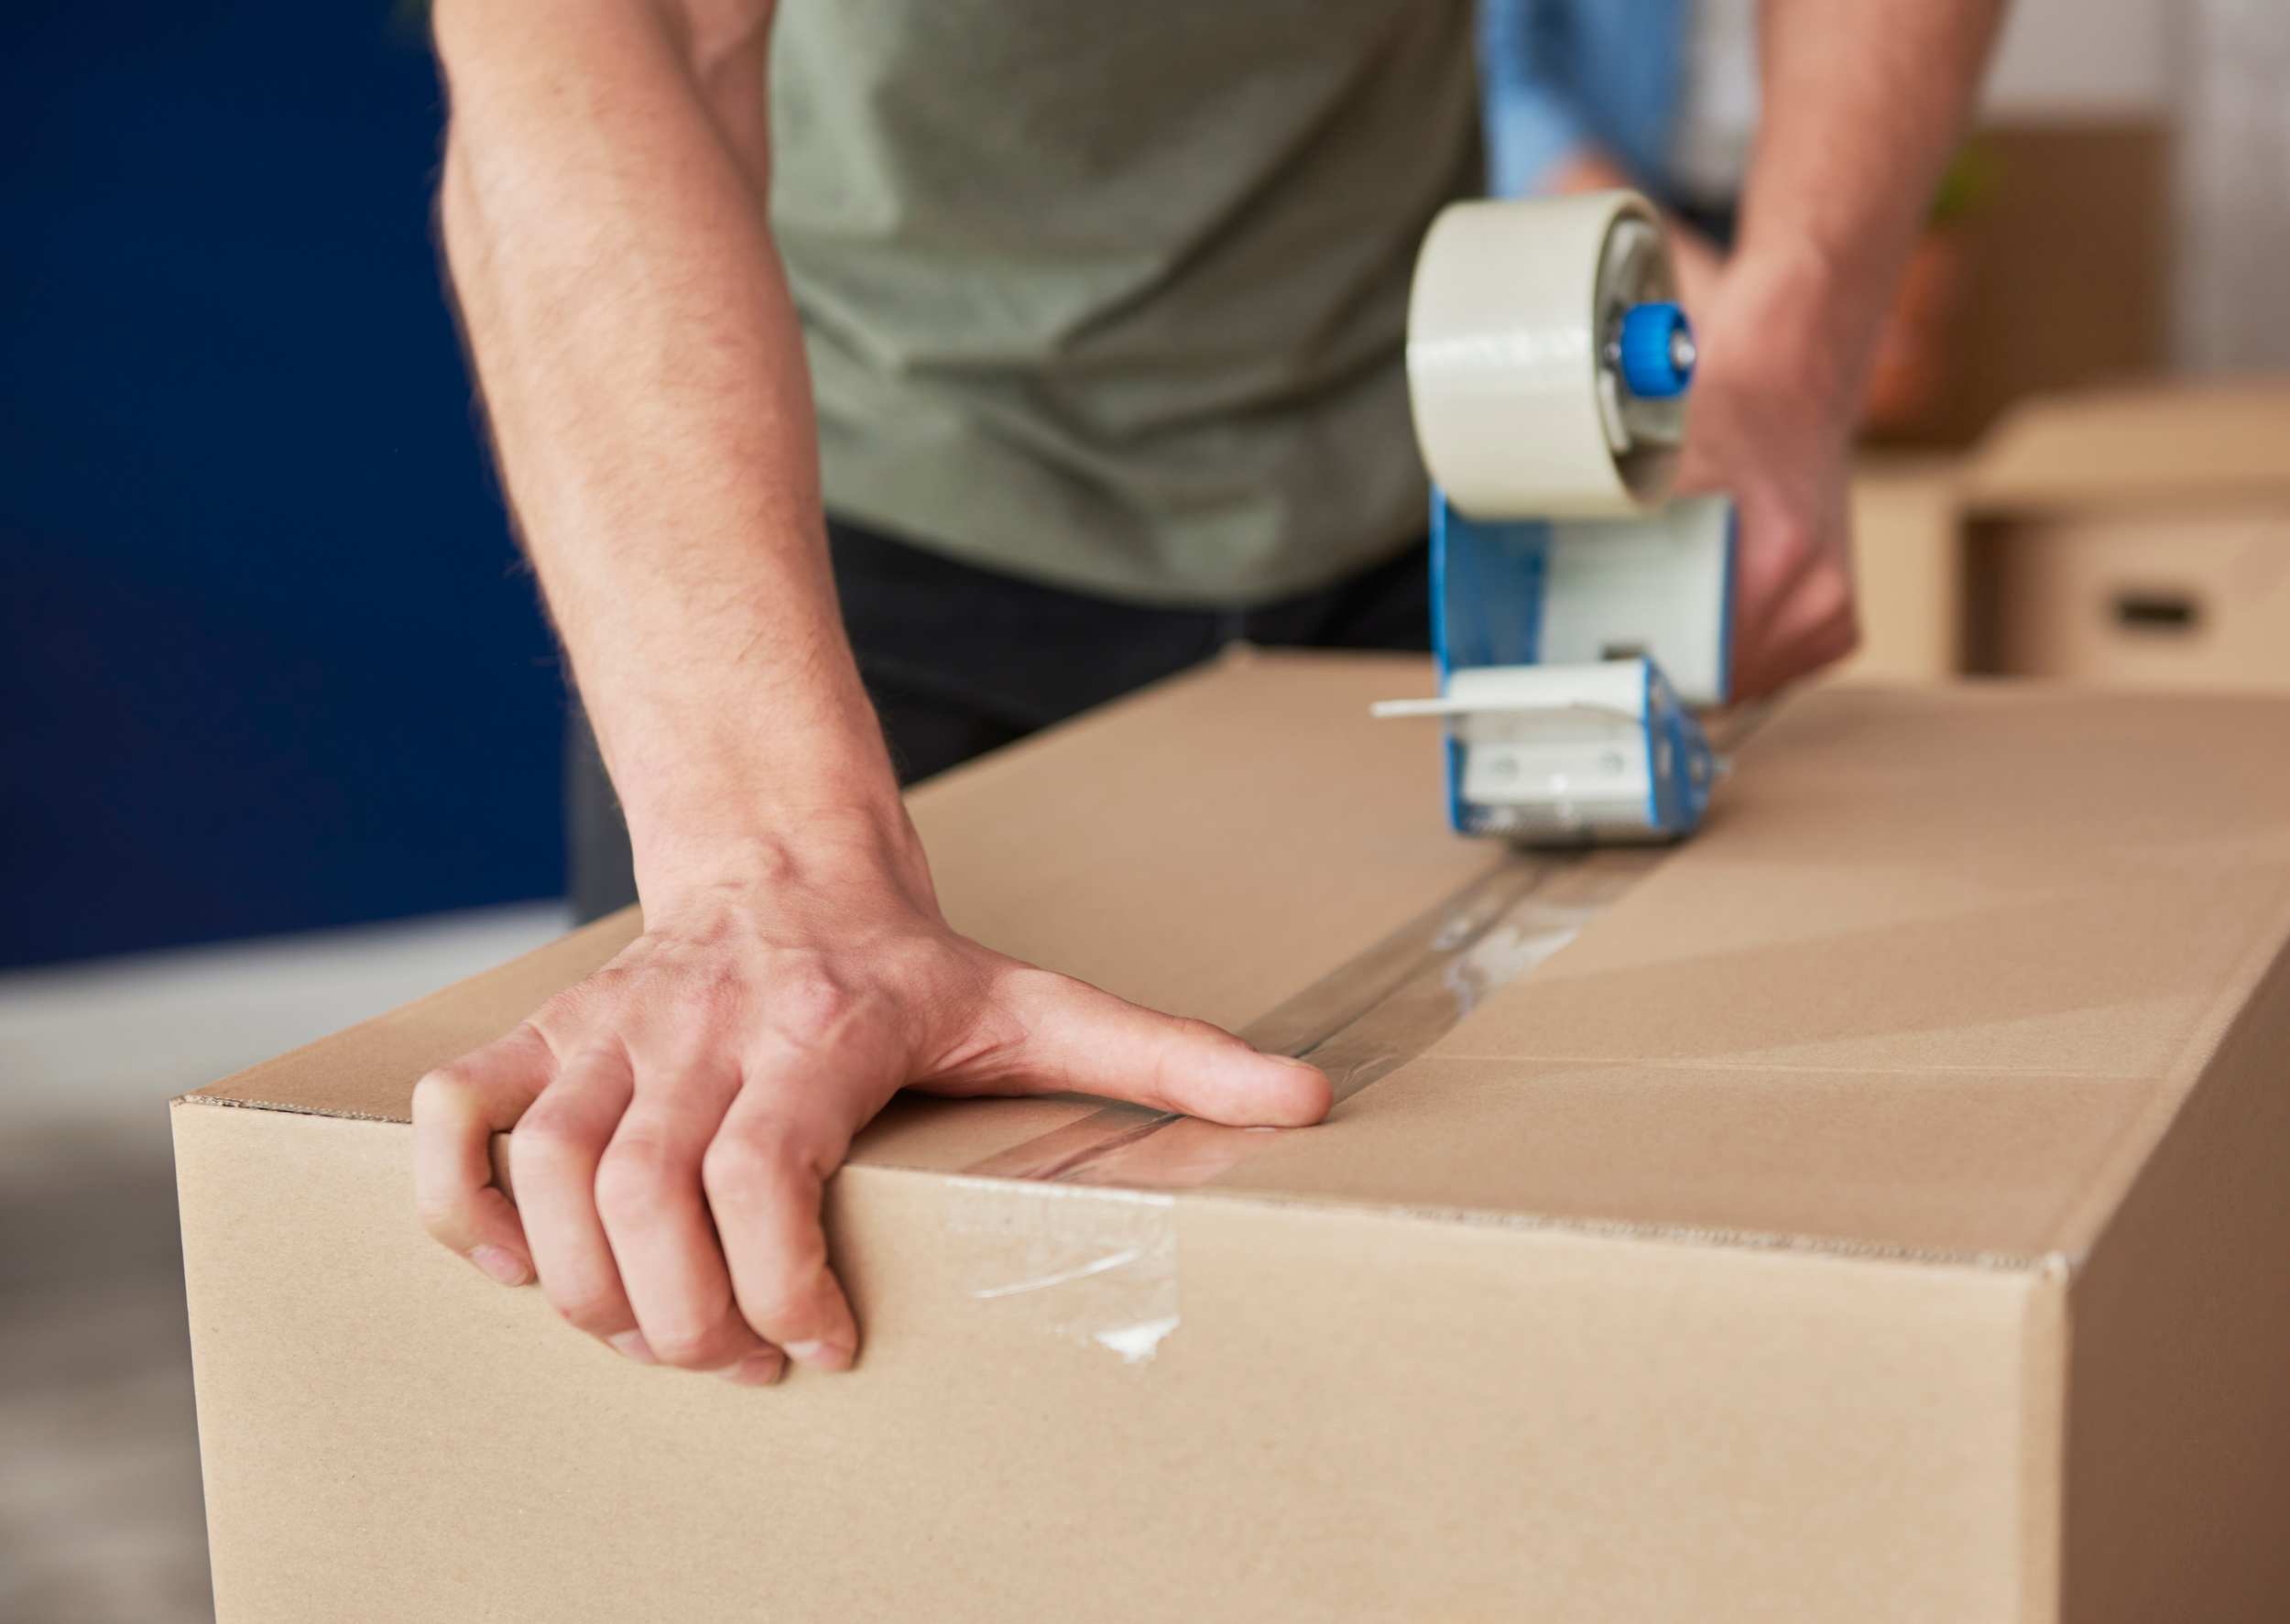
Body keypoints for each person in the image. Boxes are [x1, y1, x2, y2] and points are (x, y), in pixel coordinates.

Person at [414, 0, 2006, 1387]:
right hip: (830, 535)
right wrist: (767, 866)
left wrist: (1795, 353)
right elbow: (615, 35)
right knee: (732, 1257)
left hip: (1410, 475)